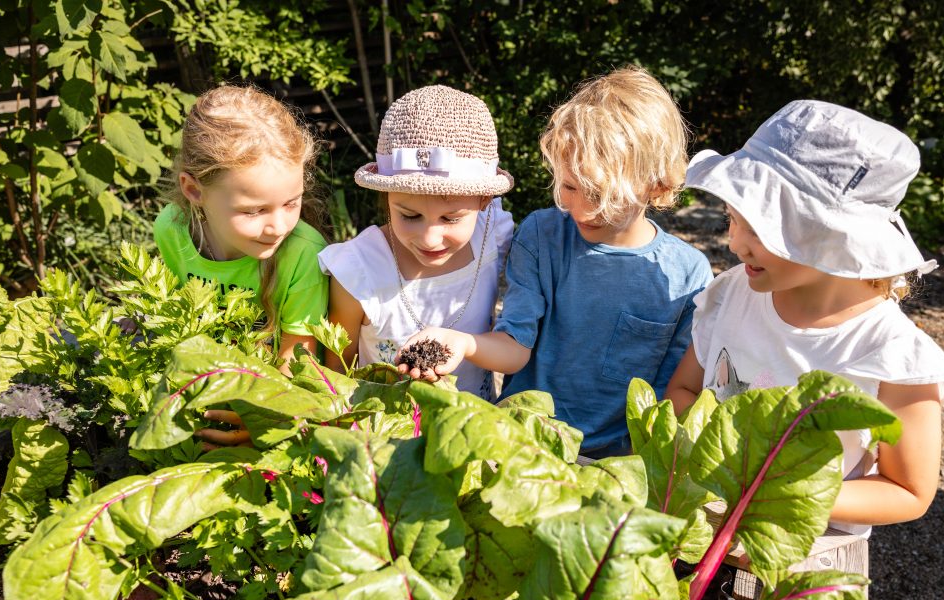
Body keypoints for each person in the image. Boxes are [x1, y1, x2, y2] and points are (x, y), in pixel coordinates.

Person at [665, 100, 944, 533]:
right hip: (702, 524)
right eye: (732, 220)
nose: (736, 244)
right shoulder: (732, 292)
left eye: (759, 228)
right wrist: (718, 462)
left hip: (807, 561)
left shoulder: (894, 354)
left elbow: (908, 491)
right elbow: (681, 389)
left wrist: (778, 490)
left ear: (829, 236)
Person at [397, 66, 713, 457]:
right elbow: (516, 346)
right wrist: (461, 342)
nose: (577, 207)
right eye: (568, 186)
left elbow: (669, 397)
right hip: (526, 446)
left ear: (658, 185)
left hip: (617, 463)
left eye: (599, 194)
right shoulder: (542, 237)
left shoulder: (686, 274)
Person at [318, 85, 515, 399]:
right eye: (409, 216)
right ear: (387, 197)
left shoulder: (492, 234)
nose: (430, 237)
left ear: (483, 201)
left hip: (476, 428)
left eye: (450, 219)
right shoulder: (358, 271)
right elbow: (337, 376)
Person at [155, 84, 328, 370]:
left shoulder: (303, 255)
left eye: (291, 203)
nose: (278, 227)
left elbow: (295, 368)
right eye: (253, 211)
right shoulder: (171, 229)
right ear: (194, 190)